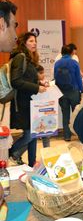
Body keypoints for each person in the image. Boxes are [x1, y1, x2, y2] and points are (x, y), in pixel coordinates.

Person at [9, 32, 47, 167]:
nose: (34, 43)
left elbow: (27, 79)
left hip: (31, 103)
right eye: (31, 41)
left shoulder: (28, 59)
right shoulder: (20, 57)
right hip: (23, 103)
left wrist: (39, 84)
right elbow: (16, 81)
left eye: (35, 41)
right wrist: (36, 88)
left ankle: (31, 163)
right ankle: (10, 153)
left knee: (34, 134)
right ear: (24, 43)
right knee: (30, 134)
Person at [54, 44, 83, 141]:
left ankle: (66, 136)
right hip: (73, 92)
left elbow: (55, 78)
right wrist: (81, 90)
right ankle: (78, 134)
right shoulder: (74, 62)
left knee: (65, 114)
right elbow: (78, 78)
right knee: (76, 114)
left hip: (62, 92)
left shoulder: (57, 63)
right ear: (71, 52)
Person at [36, 65, 50, 148]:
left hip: (43, 112)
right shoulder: (35, 85)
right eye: (41, 73)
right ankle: (15, 153)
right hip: (38, 112)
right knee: (30, 137)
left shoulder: (40, 84)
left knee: (46, 132)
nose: (43, 75)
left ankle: (47, 150)